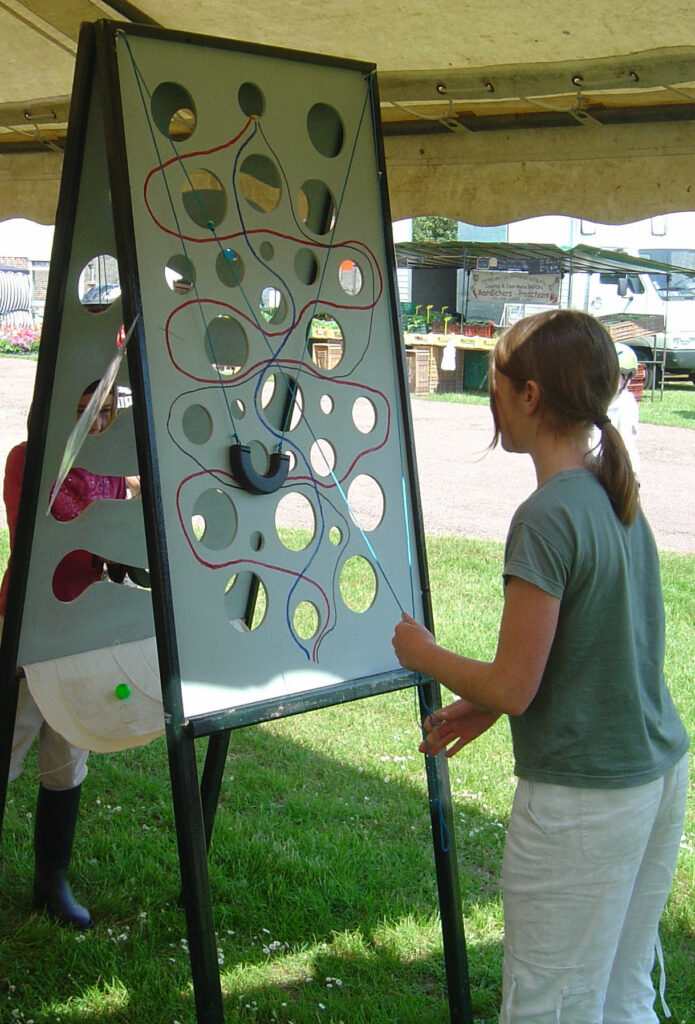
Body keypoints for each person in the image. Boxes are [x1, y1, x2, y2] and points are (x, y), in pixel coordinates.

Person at [392, 310, 689, 1024]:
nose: (489, 396)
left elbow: (514, 684)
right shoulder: (611, 493)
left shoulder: (548, 514)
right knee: (619, 994)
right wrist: (488, 705)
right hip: (650, 775)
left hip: (586, 798)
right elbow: (585, 647)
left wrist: (421, 653)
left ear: (528, 396)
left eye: (495, 381)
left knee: (549, 1004)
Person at [0, 382, 137, 930]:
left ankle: (50, 881)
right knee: (9, 743)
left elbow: (115, 550)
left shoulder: (109, 469)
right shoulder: (27, 461)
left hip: (85, 628)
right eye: (84, 413)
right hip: (32, 627)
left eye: (105, 412)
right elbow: (59, 534)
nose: (96, 425)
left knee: (67, 753)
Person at [591, 341, 641, 477]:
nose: (608, 380)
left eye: (616, 376)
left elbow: (626, 444)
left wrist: (632, 474)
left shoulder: (626, 404)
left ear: (628, 379)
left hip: (610, 471)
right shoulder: (589, 400)